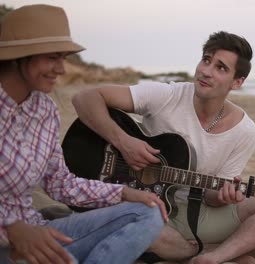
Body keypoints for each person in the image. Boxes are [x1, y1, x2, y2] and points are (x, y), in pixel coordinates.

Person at [72, 31, 255, 264]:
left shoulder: (244, 130)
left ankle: (215, 256)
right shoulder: (168, 95)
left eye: (220, 68)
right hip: (142, 205)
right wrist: (124, 142)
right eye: (206, 59)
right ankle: (191, 251)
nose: (206, 71)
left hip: (196, 211)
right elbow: (85, 98)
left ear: (237, 82)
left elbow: (211, 198)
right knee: (141, 225)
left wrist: (223, 196)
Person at [0, 4, 168, 264]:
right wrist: (12, 227)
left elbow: (60, 183)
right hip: (8, 242)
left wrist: (123, 193)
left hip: (40, 234)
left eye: (63, 57)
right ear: (20, 56)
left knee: (148, 212)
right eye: (52, 57)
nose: (61, 69)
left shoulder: (44, 110)